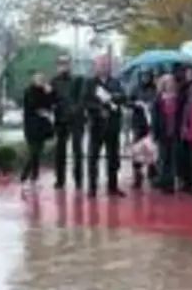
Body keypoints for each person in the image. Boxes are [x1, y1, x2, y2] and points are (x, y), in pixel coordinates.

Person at [83, 55, 127, 197]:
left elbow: (122, 98)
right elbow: (85, 102)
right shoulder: (90, 83)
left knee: (113, 157)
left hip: (112, 126)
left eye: (107, 65)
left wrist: (116, 98)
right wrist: (98, 109)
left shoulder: (115, 82)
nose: (104, 67)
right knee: (93, 158)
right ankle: (92, 188)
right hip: (96, 126)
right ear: (96, 66)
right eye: (101, 65)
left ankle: (113, 187)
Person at [48, 55, 85, 190]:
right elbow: (50, 100)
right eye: (61, 64)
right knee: (60, 151)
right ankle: (60, 179)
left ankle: (79, 179)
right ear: (57, 66)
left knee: (77, 151)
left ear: (70, 65)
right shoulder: (54, 82)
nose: (63, 66)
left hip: (76, 120)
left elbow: (82, 98)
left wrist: (75, 110)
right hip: (60, 120)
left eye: (66, 63)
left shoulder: (78, 80)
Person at [18, 70, 54, 191]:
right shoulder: (29, 92)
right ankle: (24, 177)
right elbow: (33, 106)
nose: (40, 81)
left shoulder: (45, 91)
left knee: (37, 153)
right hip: (31, 127)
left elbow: (49, 105)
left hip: (42, 128)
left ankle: (34, 178)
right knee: (33, 152)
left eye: (42, 79)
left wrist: (49, 94)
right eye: (38, 78)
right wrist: (43, 111)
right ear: (33, 79)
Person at [149, 74, 184, 193]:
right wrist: (154, 133)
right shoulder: (158, 100)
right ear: (163, 85)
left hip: (175, 132)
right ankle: (164, 182)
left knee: (174, 158)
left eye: (172, 83)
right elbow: (154, 118)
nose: (170, 85)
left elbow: (181, 115)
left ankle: (172, 182)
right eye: (168, 83)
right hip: (162, 132)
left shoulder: (179, 99)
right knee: (163, 158)